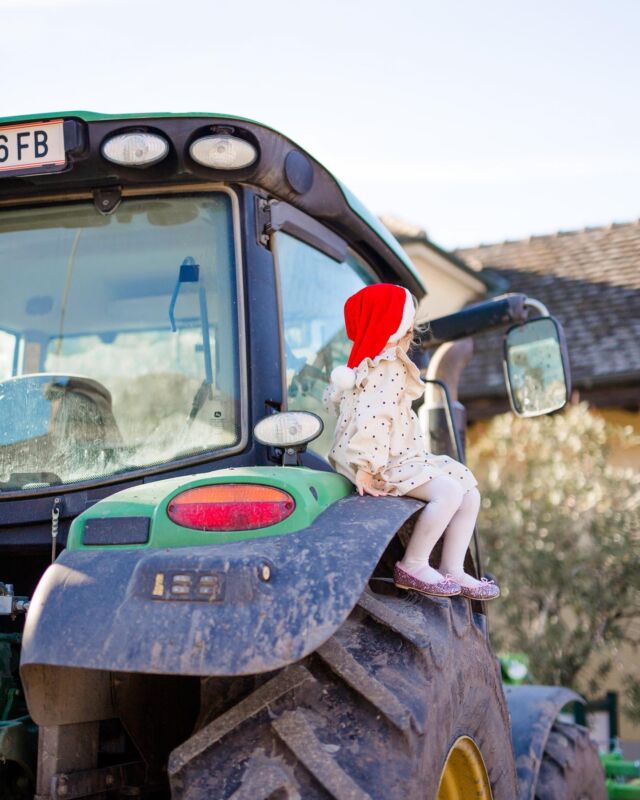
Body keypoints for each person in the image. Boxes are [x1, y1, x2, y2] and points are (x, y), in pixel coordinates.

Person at [323, 283, 500, 601]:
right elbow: (373, 418)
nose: (411, 334)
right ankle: (414, 564)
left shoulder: (382, 366)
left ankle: (452, 568)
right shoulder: (384, 368)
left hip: (401, 455)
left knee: (468, 492)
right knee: (448, 492)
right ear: (392, 327)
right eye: (407, 327)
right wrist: (366, 467)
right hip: (381, 460)